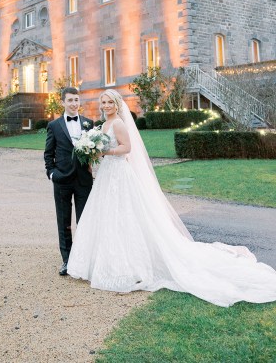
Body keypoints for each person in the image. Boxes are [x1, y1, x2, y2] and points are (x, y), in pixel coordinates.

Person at [67, 89, 276, 307]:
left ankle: (128, 265)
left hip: (119, 173)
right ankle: (101, 262)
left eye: (110, 102)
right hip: (108, 175)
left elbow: (127, 148)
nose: (106, 105)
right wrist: (94, 151)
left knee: (124, 215)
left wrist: (104, 153)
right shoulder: (103, 125)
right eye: (103, 102)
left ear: (117, 104)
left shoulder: (118, 123)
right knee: (107, 215)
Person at [44, 87, 94, 276]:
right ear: (63, 102)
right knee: (64, 221)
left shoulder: (89, 123)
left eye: (76, 100)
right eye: (70, 100)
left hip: (83, 180)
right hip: (62, 180)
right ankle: (67, 260)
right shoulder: (54, 126)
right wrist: (52, 174)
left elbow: (94, 151)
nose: (74, 104)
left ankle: (83, 259)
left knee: (85, 220)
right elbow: (48, 154)